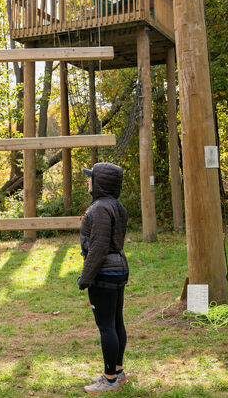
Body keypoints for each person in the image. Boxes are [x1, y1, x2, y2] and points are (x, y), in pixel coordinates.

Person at [78, 162, 130, 394]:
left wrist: (85, 278)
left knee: (106, 326)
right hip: (118, 268)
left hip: (105, 272)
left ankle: (109, 379)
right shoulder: (116, 206)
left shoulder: (99, 208)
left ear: (100, 182)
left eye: (91, 177)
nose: (88, 181)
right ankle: (118, 372)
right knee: (116, 321)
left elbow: (98, 247)